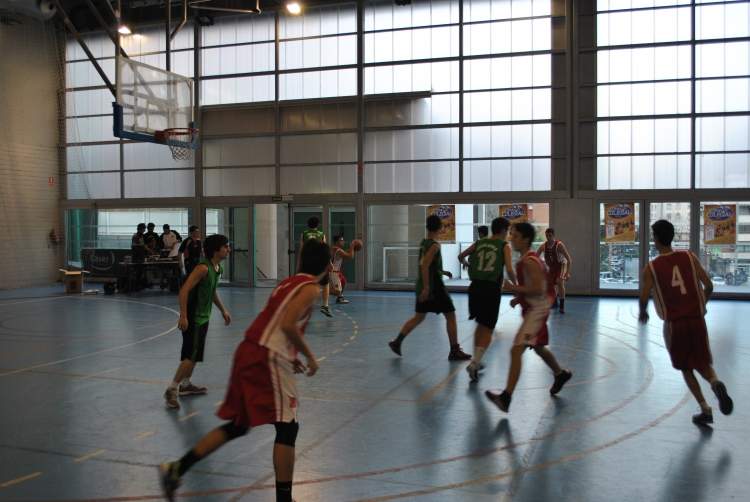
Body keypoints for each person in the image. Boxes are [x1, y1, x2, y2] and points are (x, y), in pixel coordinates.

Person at [159, 240, 330, 502]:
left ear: (300, 260)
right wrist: (309, 356)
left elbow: (274, 322)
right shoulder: (311, 288)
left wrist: (290, 353)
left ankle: (176, 469)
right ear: (327, 265)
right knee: (288, 427)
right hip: (266, 358)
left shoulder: (288, 283)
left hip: (249, 351)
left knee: (239, 426)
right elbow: (287, 324)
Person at [638, 220, 733, 425]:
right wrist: (700, 305)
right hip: (697, 320)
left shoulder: (652, 267)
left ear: (656, 238)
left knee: (686, 367)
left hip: (675, 324)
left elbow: (644, 298)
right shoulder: (689, 256)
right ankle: (715, 382)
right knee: (702, 362)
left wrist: (643, 312)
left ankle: (705, 409)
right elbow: (709, 286)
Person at [486, 223, 573, 413]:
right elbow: (535, 286)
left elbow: (539, 289)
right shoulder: (525, 258)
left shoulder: (530, 261)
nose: (512, 240)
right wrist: (519, 298)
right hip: (534, 308)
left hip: (537, 311)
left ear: (526, 239)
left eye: (515, 236)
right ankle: (560, 374)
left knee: (516, 350)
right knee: (538, 347)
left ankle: (506, 397)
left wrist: (514, 288)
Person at [388, 215, 471, 361]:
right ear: (440, 227)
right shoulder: (434, 245)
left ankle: (397, 342)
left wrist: (442, 271)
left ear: (427, 227)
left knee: (419, 317)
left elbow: (427, 264)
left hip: (421, 284)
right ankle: (454, 350)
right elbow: (425, 266)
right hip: (434, 287)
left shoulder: (424, 243)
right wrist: (427, 288)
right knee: (450, 314)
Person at [163, 234, 232, 410]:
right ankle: (172, 389)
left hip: (204, 317)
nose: (229, 250)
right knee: (191, 355)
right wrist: (183, 315)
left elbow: (212, 290)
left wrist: (223, 310)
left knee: (196, 353)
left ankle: (186, 385)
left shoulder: (218, 268)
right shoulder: (203, 268)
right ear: (216, 249)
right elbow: (184, 290)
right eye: (226, 246)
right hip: (193, 318)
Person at [458, 217, 516, 382]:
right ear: (503, 230)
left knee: (480, 324)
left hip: (475, 287)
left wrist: (468, 264)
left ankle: (476, 360)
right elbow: (510, 269)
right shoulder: (504, 245)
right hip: (491, 288)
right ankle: (475, 363)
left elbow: (461, 256)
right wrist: (516, 287)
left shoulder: (480, 243)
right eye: (507, 231)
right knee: (489, 328)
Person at [297, 216, 333, 317]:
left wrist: (298, 264)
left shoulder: (304, 234)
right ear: (318, 224)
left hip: (307, 263)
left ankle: (305, 308)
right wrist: (329, 263)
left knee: (306, 285)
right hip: (318, 264)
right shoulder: (321, 234)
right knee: (325, 284)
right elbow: (325, 250)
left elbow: (301, 251)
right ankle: (325, 305)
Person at [536, 228, 572, 313]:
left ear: (553, 236)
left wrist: (567, 273)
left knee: (559, 282)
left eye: (550, 235)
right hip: (552, 267)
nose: (548, 237)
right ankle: (555, 302)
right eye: (547, 236)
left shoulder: (559, 245)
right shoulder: (543, 246)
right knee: (549, 284)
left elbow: (568, 259)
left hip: (561, 265)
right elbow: (535, 257)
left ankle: (562, 306)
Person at [330, 234, 356, 304]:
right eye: (341, 241)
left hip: (336, 272)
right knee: (337, 291)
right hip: (333, 272)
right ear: (336, 242)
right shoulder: (338, 250)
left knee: (344, 283)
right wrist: (352, 247)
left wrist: (351, 249)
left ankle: (340, 298)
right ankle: (321, 291)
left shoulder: (335, 249)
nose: (343, 242)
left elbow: (344, 253)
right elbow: (350, 257)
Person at [143, 223, 162, 287]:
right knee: (149, 269)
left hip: (155, 253)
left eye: (152, 228)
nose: (151, 229)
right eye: (150, 228)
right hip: (148, 254)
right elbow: (144, 245)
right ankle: (150, 282)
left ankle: (160, 281)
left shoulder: (155, 235)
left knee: (158, 268)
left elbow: (159, 244)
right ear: (148, 228)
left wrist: (157, 251)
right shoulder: (145, 236)